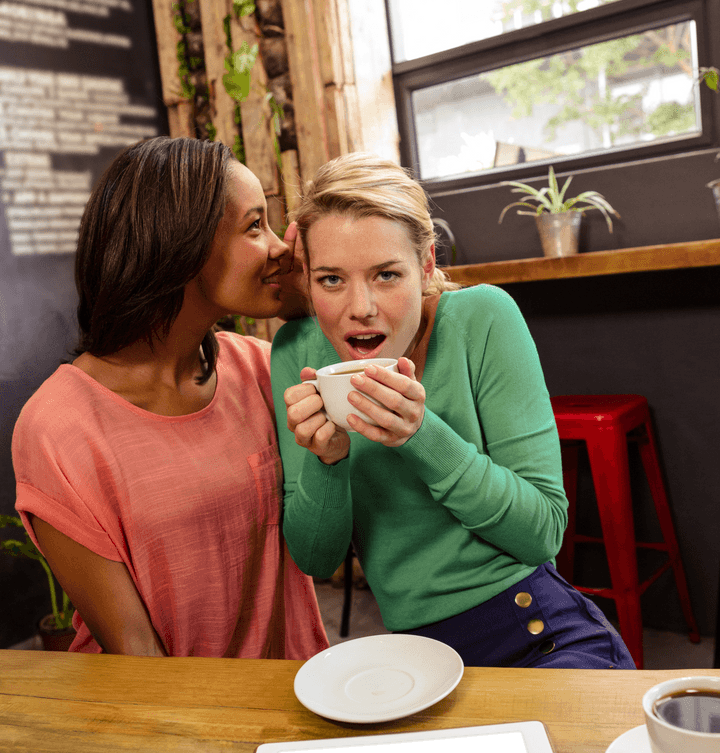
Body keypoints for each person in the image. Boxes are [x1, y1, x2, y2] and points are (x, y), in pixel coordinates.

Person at [271, 153, 635, 669]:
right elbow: (315, 558)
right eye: (331, 280)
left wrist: (420, 435)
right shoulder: (296, 353)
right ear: (306, 277)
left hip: (535, 630)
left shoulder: (482, 318)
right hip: (416, 660)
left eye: (386, 275)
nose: (361, 307)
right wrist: (325, 461)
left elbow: (543, 533)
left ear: (424, 266)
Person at [12, 136, 327, 658]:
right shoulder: (57, 426)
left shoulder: (258, 368)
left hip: (295, 700)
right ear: (182, 244)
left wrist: (313, 284)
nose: (280, 247)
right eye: (255, 225)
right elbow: (132, 646)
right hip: (167, 720)